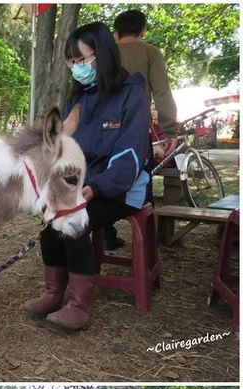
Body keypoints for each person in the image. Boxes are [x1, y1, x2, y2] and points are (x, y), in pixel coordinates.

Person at [22, 21, 151, 330]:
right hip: (83, 185)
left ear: (102, 54)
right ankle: (54, 293)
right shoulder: (77, 99)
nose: (77, 67)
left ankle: (79, 305)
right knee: (49, 222)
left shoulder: (132, 92)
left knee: (72, 223)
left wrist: (94, 187)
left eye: (82, 59)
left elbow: (130, 155)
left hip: (124, 188)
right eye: (73, 62)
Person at [110, 8, 177, 248]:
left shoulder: (105, 54)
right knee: (142, 179)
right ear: (143, 30)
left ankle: (105, 233)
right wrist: (170, 131)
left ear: (115, 33)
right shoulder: (150, 52)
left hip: (104, 132)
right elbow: (161, 93)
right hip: (136, 132)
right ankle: (145, 240)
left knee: (101, 176)